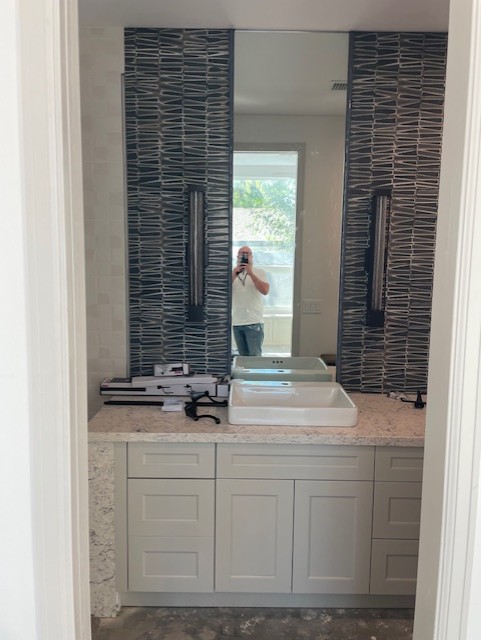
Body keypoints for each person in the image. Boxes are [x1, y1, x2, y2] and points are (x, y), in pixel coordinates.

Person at [231, 245, 270, 356]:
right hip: (237, 322)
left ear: (252, 256)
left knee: (255, 358)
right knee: (243, 358)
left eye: (247, 253)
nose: (244, 256)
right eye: (241, 253)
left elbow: (265, 291)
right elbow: (223, 293)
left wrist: (251, 273)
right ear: (237, 256)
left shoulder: (260, 272)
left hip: (254, 321)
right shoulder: (232, 273)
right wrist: (233, 274)